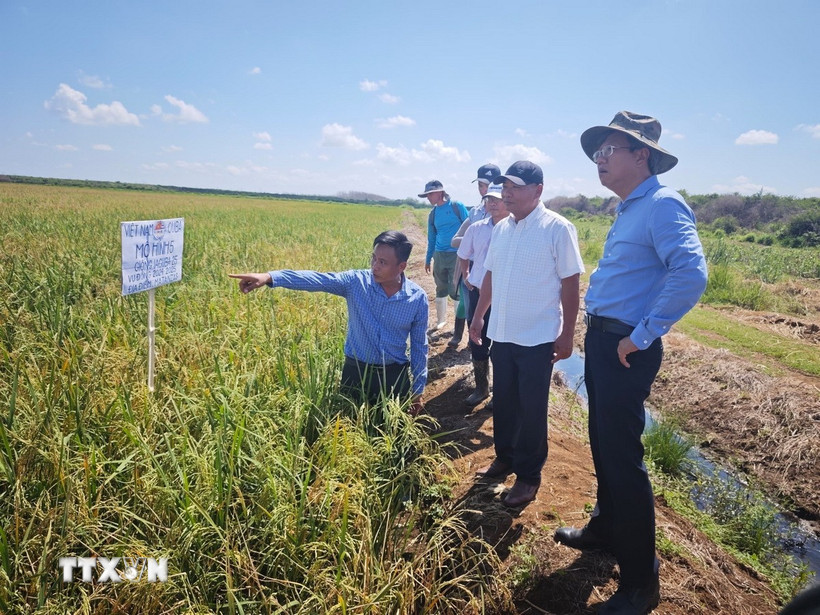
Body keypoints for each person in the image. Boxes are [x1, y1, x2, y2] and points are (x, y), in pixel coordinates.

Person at [553, 111, 708, 615]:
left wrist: (642, 334)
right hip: (606, 342)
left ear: (641, 154)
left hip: (627, 347)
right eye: (596, 153)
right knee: (603, 442)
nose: (599, 161)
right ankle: (604, 528)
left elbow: (690, 274)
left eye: (608, 151)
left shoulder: (663, 205)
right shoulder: (629, 207)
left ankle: (641, 585)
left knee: (623, 459)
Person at [469, 161, 584, 507]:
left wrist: (567, 334)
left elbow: (571, 282)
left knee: (532, 408)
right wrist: (478, 317)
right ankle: (505, 457)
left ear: (538, 190)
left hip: (537, 339)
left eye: (516, 187)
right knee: (504, 401)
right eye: (505, 186)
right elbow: (489, 275)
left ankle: (529, 476)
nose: (507, 193)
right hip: (501, 334)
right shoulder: (503, 229)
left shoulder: (557, 229)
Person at [229, 230, 428, 416]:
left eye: (383, 262)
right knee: (349, 429)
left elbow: (419, 346)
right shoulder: (355, 282)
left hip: (394, 376)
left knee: (394, 433)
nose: (374, 266)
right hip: (356, 373)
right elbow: (317, 280)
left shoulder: (417, 298)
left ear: (401, 266)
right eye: (373, 258)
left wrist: (418, 390)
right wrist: (270, 277)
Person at [456, 183, 507, 406]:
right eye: (489, 199)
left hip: (504, 296)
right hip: (477, 292)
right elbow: (463, 253)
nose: (492, 203)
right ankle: (481, 388)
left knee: (503, 346)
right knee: (477, 340)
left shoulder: (514, 229)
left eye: (497, 198)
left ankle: (501, 393)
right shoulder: (476, 228)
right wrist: (466, 273)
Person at [449, 163, 501, 348]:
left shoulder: (512, 219)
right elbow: (456, 241)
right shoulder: (475, 213)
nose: (484, 190)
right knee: (471, 310)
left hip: (500, 280)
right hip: (475, 271)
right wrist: (472, 240)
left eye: (488, 185)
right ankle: (468, 342)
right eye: (480, 185)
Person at [420, 180, 469, 340]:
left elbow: (470, 228)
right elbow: (431, 237)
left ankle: (458, 326)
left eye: (431, 194)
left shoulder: (456, 206)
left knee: (456, 289)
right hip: (439, 254)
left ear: (441, 192)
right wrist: (428, 258)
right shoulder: (433, 214)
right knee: (440, 286)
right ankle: (441, 321)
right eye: (427, 195)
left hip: (457, 254)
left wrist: (469, 253)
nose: (428, 197)